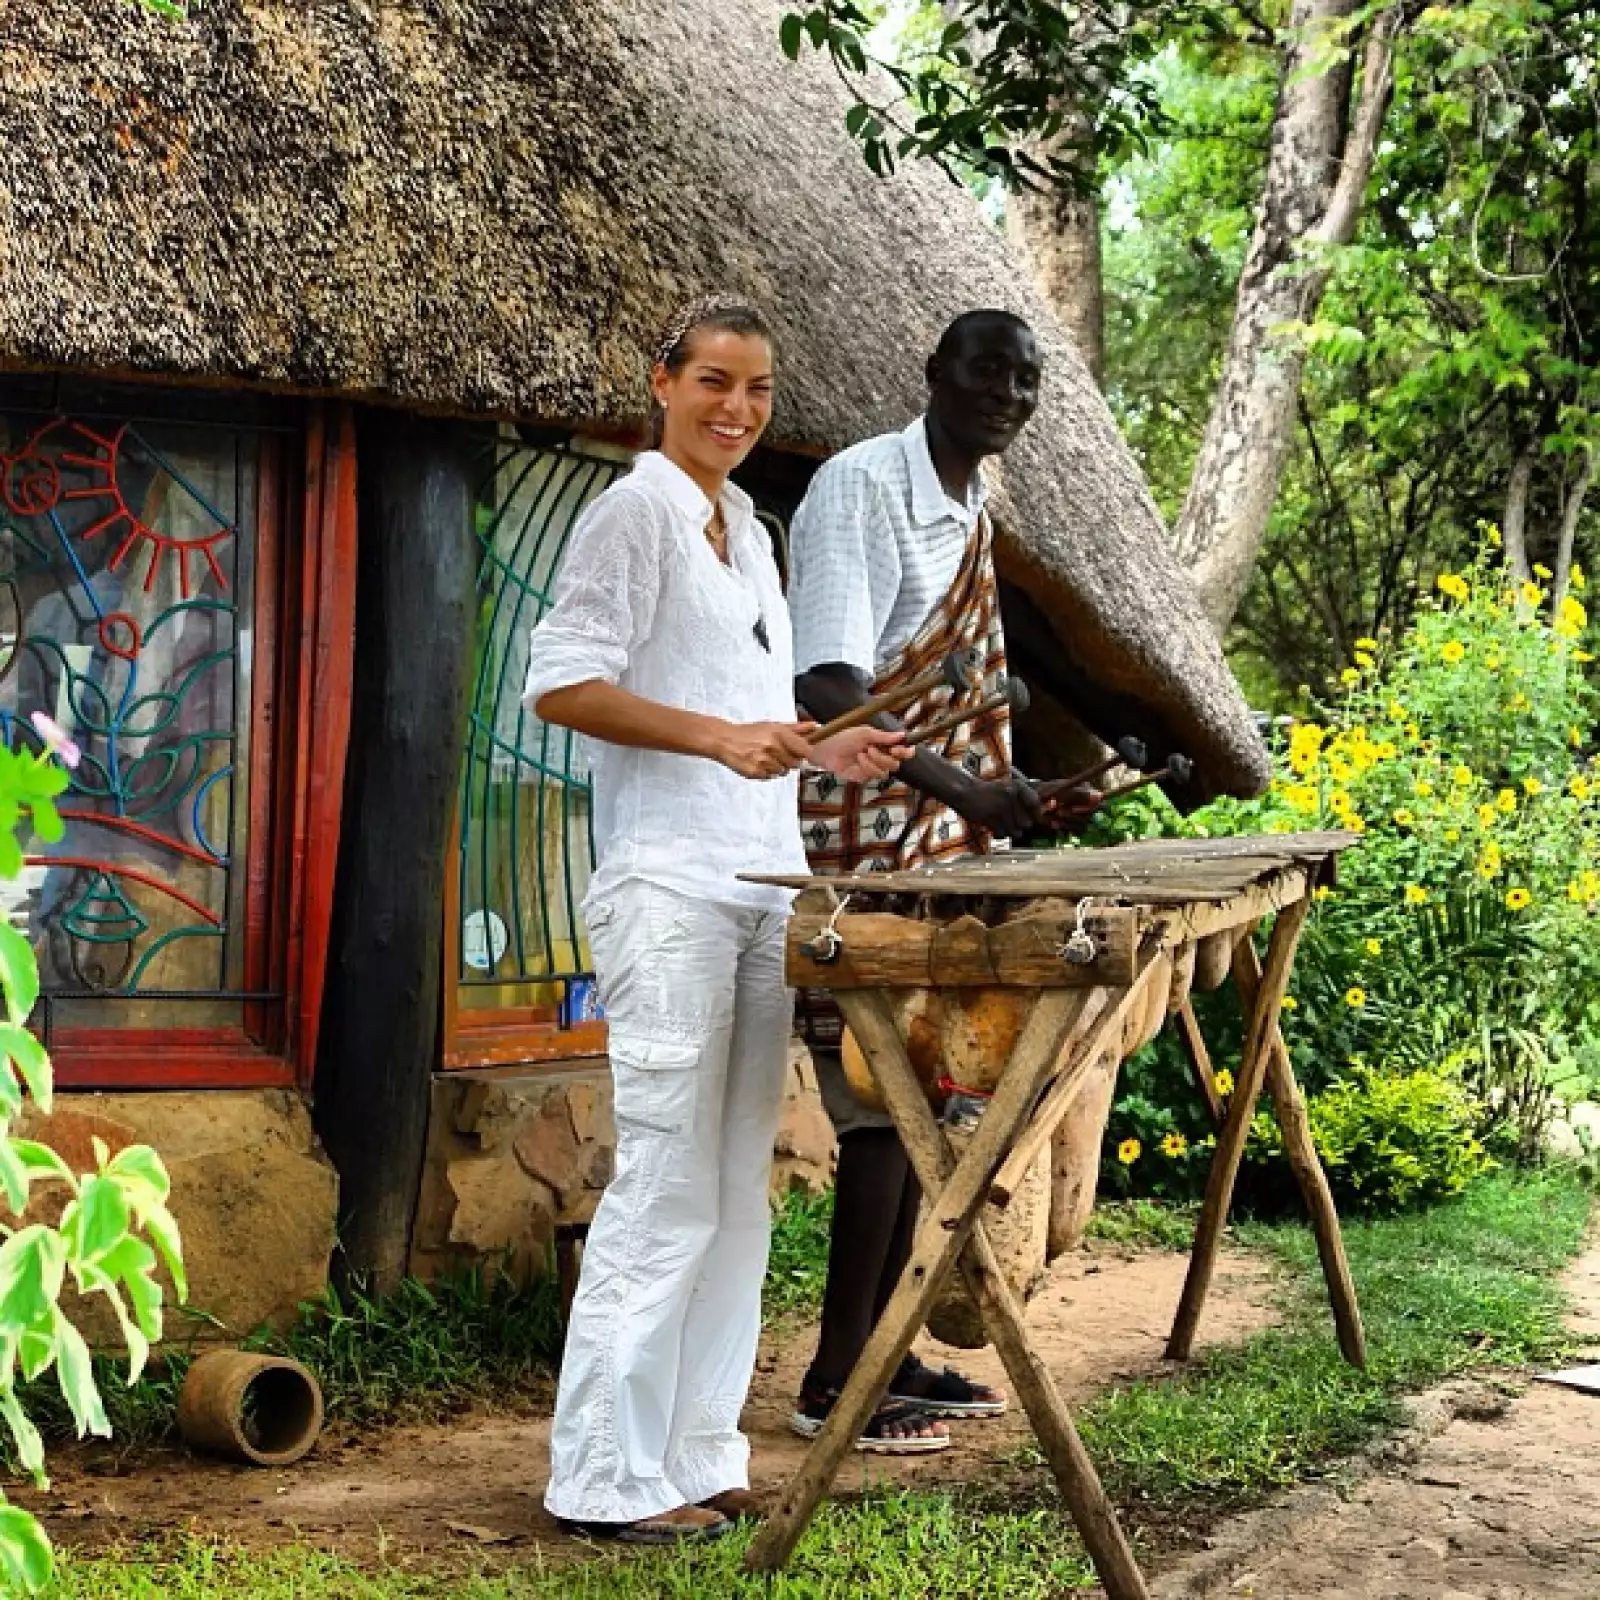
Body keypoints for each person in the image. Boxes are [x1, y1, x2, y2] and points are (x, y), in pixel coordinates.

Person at [524, 295, 910, 1544]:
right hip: (668, 889)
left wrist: (819, 752)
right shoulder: (630, 511)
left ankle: (694, 1449)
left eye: (755, 390)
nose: (735, 409)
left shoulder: (751, 526)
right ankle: (600, 1474)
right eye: (713, 382)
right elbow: (561, 682)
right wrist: (717, 735)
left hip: (761, 884)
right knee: (667, 1182)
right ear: (663, 381)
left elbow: (745, 722)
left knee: (738, 1185)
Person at [787, 308, 1101, 1453]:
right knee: (880, 1109)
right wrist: (965, 790)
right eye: (985, 370)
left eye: (1025, 378)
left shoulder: (972, 506)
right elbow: (826, 683)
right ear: (932, 373)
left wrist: (1007, 797)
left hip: (935, 837)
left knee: (923, 1103)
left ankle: (884, 1349)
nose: (1006, 393)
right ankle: (835, 1381)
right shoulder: (860, 487)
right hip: (859, 830)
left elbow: (946, 699)